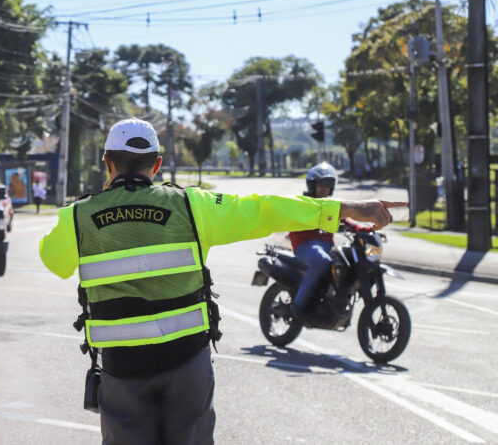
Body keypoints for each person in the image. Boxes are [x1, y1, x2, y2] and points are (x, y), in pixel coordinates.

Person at [38, 118, 404, 444]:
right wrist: (346, 209)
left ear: (107, 163)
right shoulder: (191, 205)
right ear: (158, 165)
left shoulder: (79, 217)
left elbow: (52, 260)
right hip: (187, 364)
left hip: (123, 369)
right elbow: (265, 208)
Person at [288, 162, 337, 324]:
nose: (325, 188)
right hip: (305, 245)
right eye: (321, 184)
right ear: (312, 185)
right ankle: (299, 305)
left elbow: (348, 218)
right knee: (322, 261)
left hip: (327, 247)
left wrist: (368, 227)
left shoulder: (331, 205)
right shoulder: (304, 203)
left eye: (328, 185)